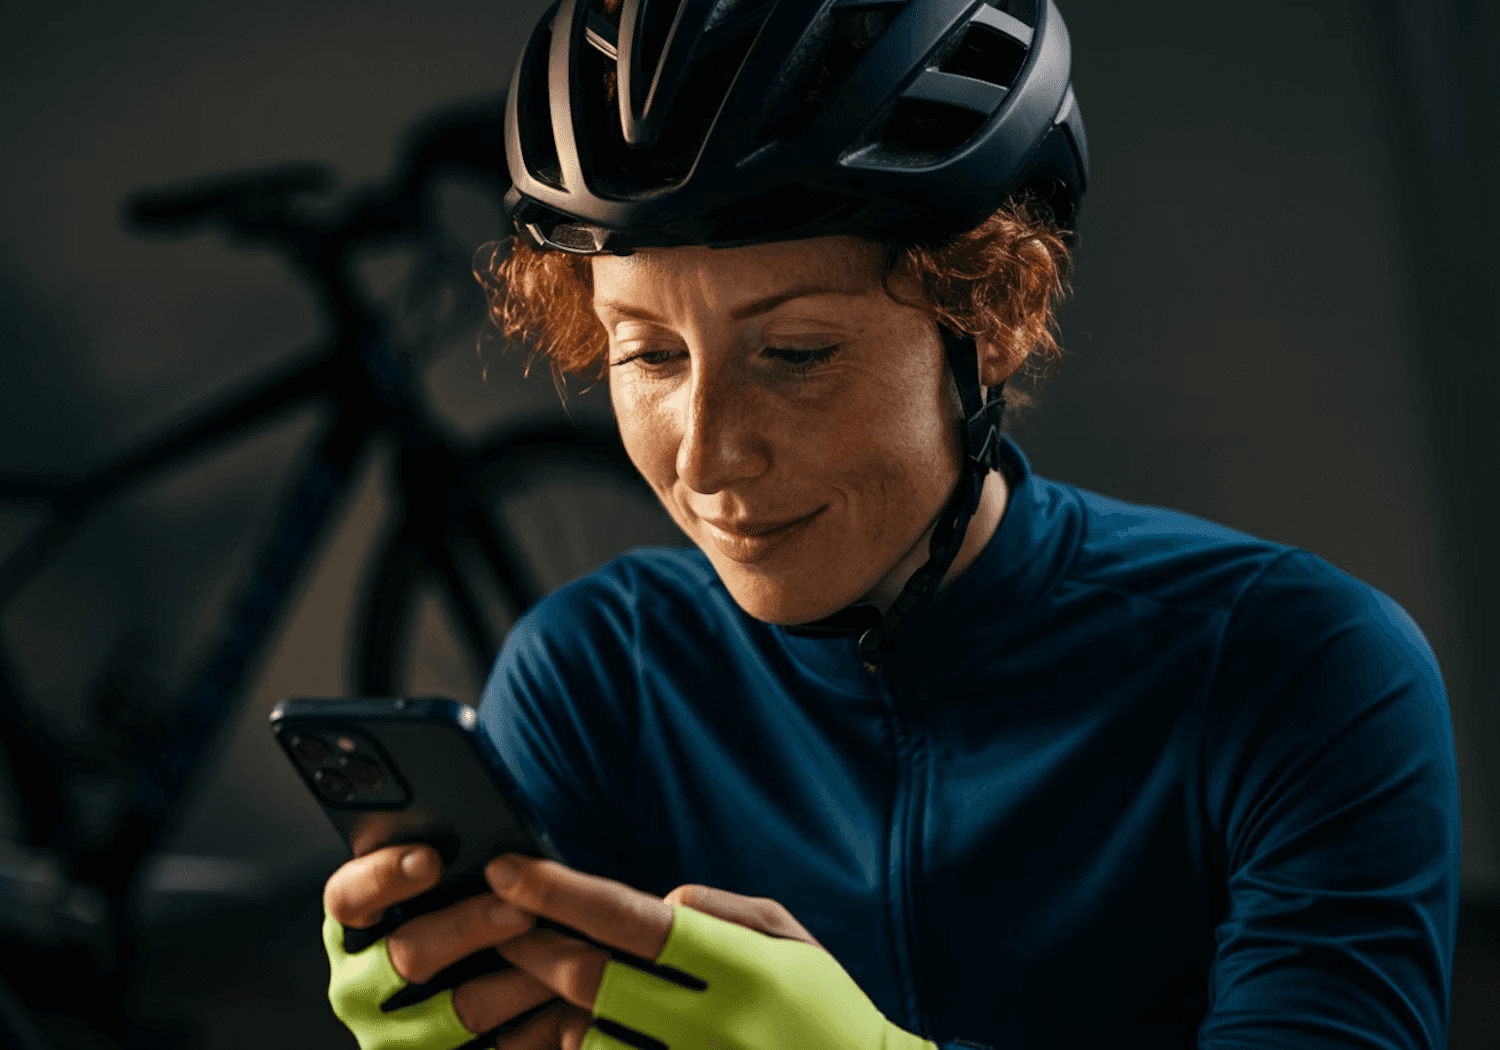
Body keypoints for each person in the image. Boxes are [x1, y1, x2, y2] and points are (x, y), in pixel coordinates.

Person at [320, 1, 1461, 1048]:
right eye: (649, 354)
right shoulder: (590, 677)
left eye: (796, 354)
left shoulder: (1304, 673)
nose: (707, 454)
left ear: (996, 314)